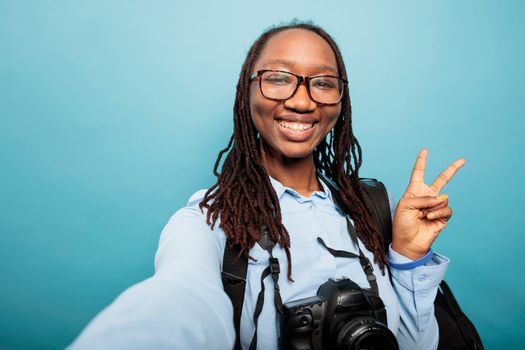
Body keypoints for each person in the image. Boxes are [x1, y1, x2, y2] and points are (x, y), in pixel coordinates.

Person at [68, 20, 466, 350]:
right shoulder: (209, 221)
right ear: (248, 91)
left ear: (341, 100)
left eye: (323, 83)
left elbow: (416, 344)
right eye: (278, 78)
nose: (303, 101)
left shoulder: (372, 209)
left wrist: (408, 257)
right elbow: (182, 296)